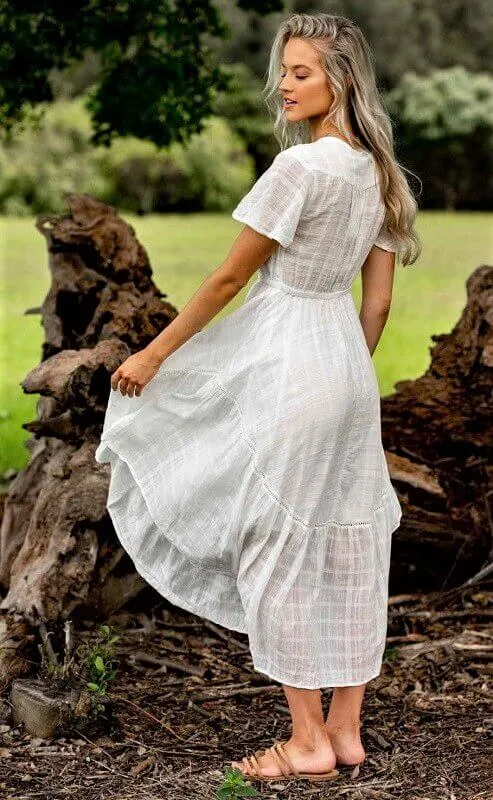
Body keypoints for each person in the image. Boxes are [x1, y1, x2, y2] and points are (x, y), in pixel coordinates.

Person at [95, 11, 421, 784]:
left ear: (340, 78)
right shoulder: (380, 176)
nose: (283, 84)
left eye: (300, 72)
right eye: (282, 70)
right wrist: (341, 375)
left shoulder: (299, 172)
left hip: (287, 358)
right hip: (343, 365)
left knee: (272, 544)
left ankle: (305, 740)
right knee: (350, 537)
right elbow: (374, 307)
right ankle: (346, 732)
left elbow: (227, 279)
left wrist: (153, 351)